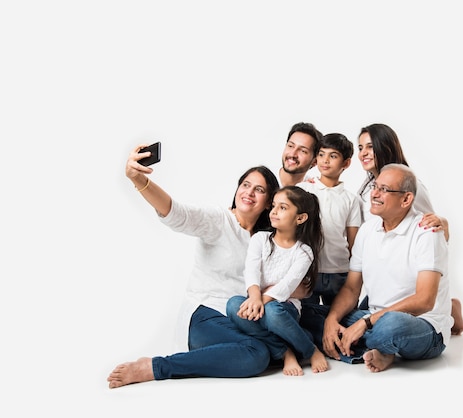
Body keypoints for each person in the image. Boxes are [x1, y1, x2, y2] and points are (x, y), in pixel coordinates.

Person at [107, 144, 281, 389]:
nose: (249, 192)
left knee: (278, 349)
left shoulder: (264, 240)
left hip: (236, 319)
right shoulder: (219, 220)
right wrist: (139, 181)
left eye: (259, 189)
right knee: (257, 355)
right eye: (245, 185)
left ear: (268, 203)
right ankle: (156, 367)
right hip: (204, 314)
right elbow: (176, 213)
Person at [303, 164, 452, 372]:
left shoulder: (427, 232)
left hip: (421, 326)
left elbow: (424, 301)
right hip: (373, 316)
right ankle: (380, 350)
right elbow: (351, 289)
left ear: (406, 199)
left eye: (384, 189)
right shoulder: (367, 230)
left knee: (392, 326)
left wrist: (365, 323)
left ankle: (372, 345)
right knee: (303, 313)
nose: (374, 193)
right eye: (375, 186)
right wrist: (331, 320)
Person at [355, 123, 463, 335]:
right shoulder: (368, 187)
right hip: (384, 269)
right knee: (356, 315)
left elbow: (431, 225)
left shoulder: (409, 186)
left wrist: (443, 221)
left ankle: (448, 310)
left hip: (408, 271)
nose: (363, 153)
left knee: (379, 322)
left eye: (370, 147)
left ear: (385, 147)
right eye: (360, 148)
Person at [226, 186, 328, 376]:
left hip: (284, 308)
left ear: (300, 218)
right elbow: (252, 270)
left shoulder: (304, 252)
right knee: (233, 305)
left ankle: (310, 350)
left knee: (273, 312)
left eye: (283, 207)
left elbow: (287, 285)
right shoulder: (260, 239)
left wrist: (260, 302)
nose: (274, 211)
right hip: (257, 300)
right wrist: (254, 298)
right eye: (274, 206)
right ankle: (286, 353)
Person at [298, 133, 362, 306]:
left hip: (339, 271)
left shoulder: (351, 199)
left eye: (332, 156)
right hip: (307, 269)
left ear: (346, 163)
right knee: (306, 317)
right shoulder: (303, 189)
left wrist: (354, 274)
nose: (325, 160)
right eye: (321, 154)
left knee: (339, 319)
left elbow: (353, 241)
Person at [276, 121, 323, 187]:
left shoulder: (312, 189)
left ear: (315, 161)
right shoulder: (263, 180)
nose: (292, 154)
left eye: (303, 151)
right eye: (290, 146)